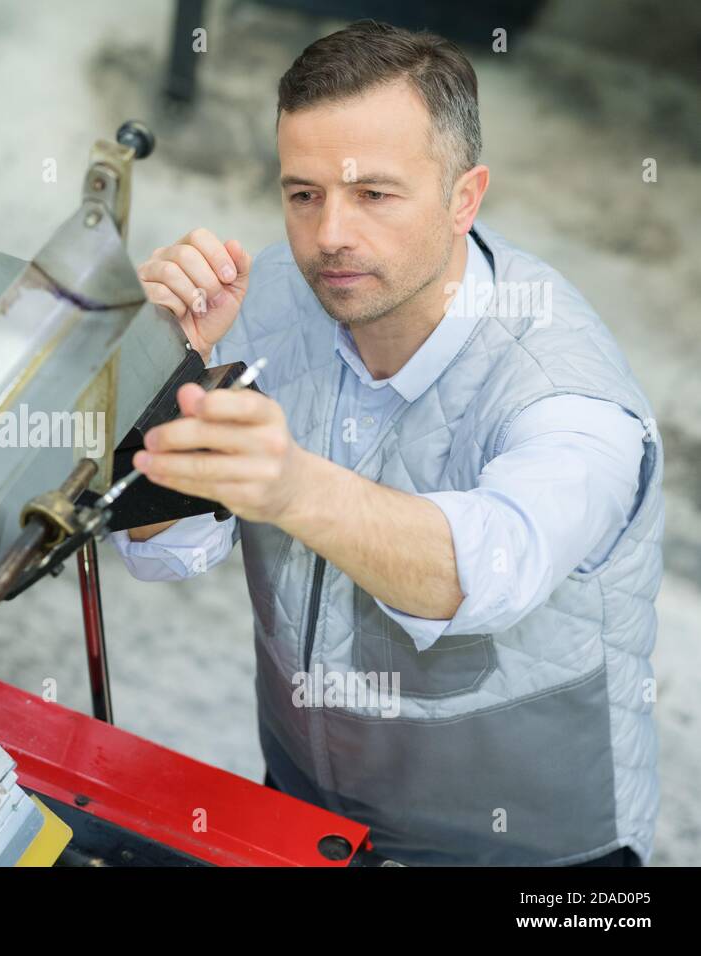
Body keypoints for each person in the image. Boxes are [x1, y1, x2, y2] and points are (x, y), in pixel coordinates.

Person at [113, 20, 661, 866]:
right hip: (307, 805)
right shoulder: (270, 308)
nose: (330, 233)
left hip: (535, 856)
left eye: (374, 194)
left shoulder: (566, 391)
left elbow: (486, 572)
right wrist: (161, 372)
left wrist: (292, 487)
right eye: (303, 194)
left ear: (465, 196)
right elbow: (168, 552)